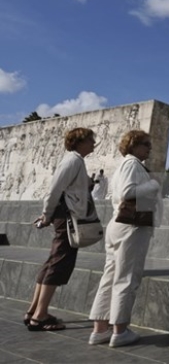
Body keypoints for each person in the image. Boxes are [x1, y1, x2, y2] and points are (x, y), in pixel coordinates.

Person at [88, 130, 162, 347]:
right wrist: (153, 185)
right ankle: (120, 331)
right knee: (127, 277)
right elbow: (128, 192)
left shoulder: (127, 165)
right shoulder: (132, 164)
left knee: (110, 277)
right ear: (133, 145)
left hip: (118, 225)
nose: (149, 148)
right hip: (131, 227)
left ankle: (99, 330)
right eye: (146, 144)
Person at [27, 127, 97, 331]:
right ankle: (39, 316)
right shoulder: (73, 160)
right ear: (79, 141)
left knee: (52, 262)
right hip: (66, 218)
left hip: (63, 215)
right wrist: (47, 215)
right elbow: (54, 189)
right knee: (59, 263)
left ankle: (33, 311)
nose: (93, 144)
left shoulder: (75, 160)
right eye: (91, 140)